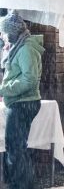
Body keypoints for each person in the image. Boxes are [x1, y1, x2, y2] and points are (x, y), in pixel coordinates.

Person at [0, 11, 43, 188]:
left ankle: (22, 185)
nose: (3, 36)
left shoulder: (26, 49)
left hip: (23, 103)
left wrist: (5, 89)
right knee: (16, 146)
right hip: (19, 102)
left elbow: (29, 79)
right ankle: (22, 183)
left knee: (16, 147)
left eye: (5, 32)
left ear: (13, 31)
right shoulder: (19, 46)